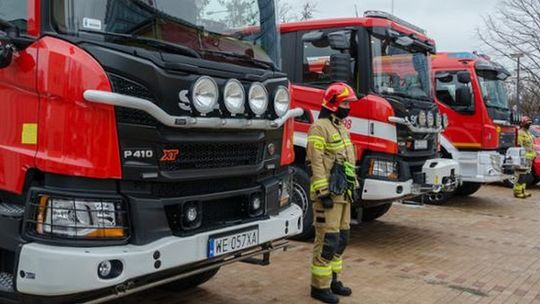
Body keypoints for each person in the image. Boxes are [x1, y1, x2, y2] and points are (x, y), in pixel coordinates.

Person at [307, 83, 360, 304]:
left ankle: (333, 280)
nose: (348, 107)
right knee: (327, 240)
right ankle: (319, 287)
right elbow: (315, 162)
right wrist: (323, 192)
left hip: (343, 195)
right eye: (345, 103)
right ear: (333, 104)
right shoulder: (319, 127)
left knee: (341, 239)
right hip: (327, 196)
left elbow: (348, 162)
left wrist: (354, 186)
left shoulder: (340, 127)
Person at [514, 116, 536, 198]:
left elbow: (531, 145)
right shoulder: (520, 133)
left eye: (530, 123)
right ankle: (517, 192)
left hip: (529, 158)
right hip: (523, 158)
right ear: (523, 123)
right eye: (528, 123)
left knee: (526, 175)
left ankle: (523, 191)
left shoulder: (528, 133)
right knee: (521, 175)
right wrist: (522, 157)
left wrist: (533, 155)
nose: (529, 125)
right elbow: (519, 146)